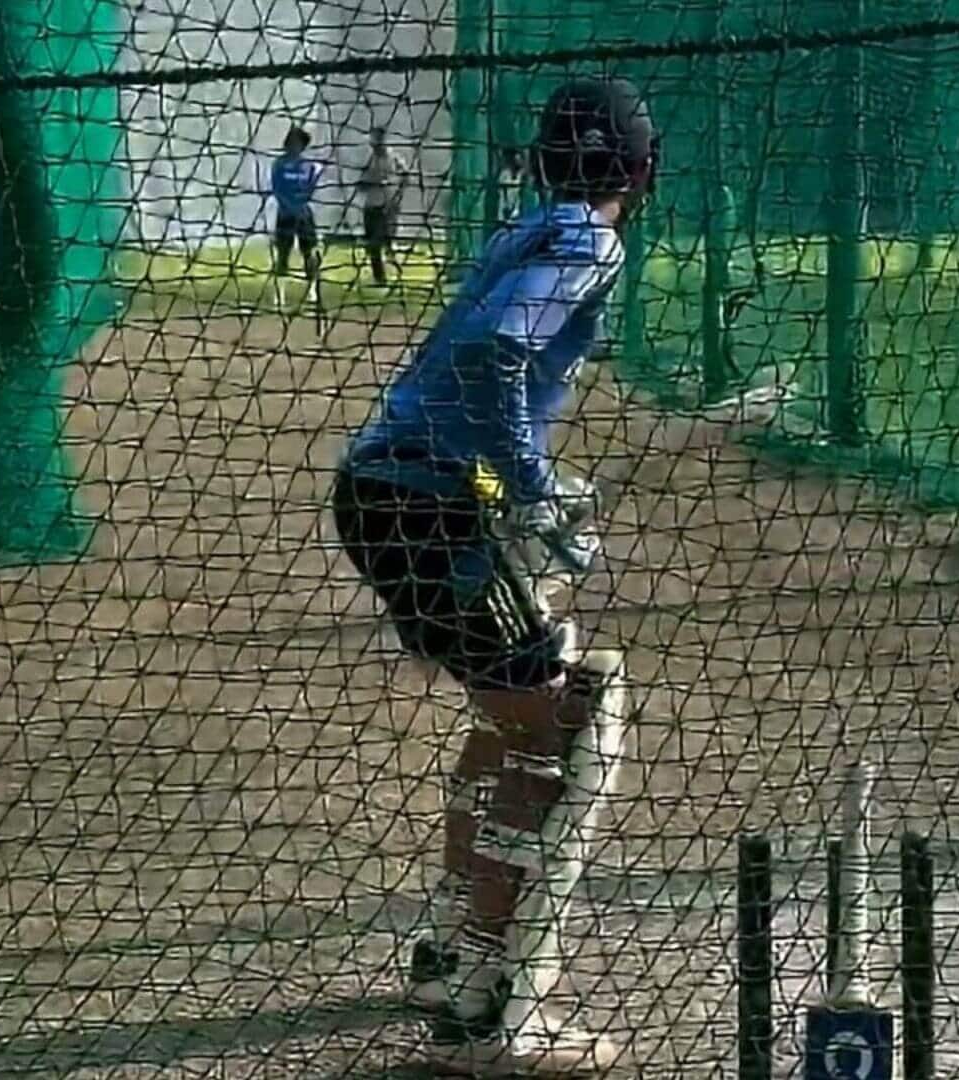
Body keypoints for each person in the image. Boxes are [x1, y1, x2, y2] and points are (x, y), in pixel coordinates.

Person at [333, 76, 790, 1078]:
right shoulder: (589, 238)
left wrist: (523, 481)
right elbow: (498, 354)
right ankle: (486, 1016)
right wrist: (528, 486)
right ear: (642, 169)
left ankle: (451, 954)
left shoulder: (526, 228)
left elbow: (460, 378)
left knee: (504, 720)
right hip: (431, 507)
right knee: (552, 732)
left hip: (386, 487)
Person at [268, 125, 326, 312]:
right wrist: (290, 206)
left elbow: (310, 189)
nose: (293, 146)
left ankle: (312, 292)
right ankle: (280, 295)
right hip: (285, 214)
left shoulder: (309, 166)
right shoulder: (279, 164)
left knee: (309, 253)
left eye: (297, 142)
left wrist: (301, 205)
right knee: (283, 254)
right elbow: (278, 189)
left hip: (304, 215)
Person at [357, 125, 411, 287]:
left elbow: (406, 176)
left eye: (376, 139)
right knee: (372, 246)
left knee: (385, 242)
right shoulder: (368, 160)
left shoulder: (393, 157)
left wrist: (397, 195)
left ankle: (396, 271)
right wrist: (370, 183)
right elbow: (360, 185)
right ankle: (380, 278)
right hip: (371, 206)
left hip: (387, 207)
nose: (373, 143)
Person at [495, 146, 528, 227]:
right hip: (505, 209)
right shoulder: (505, 174)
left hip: (517, 210)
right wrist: (506, 206)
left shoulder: (521, 174)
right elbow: (502, 192)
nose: (518, 160)